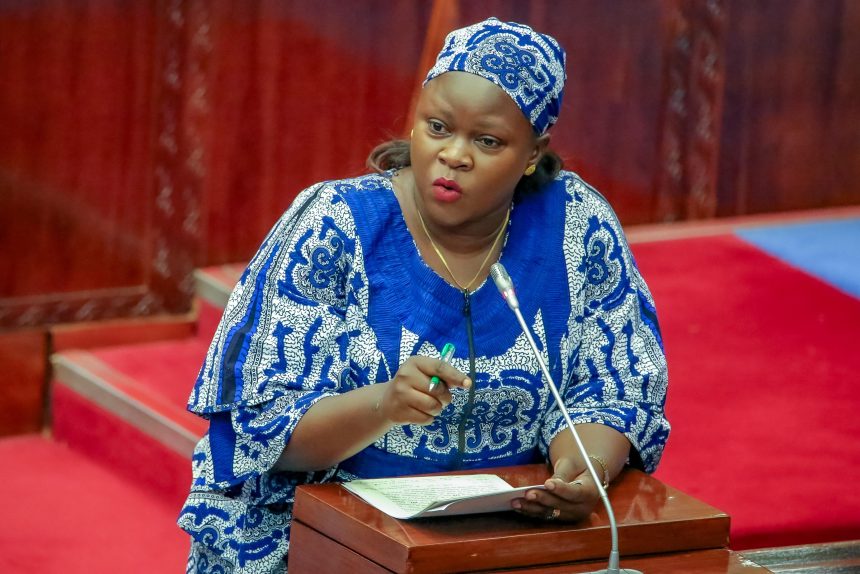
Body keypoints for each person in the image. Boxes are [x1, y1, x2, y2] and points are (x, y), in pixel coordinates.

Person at [178, 17, 669, 574]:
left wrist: (584, 470)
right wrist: (385, 404)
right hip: (329, 536)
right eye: (437, 127)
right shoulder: (335, 225)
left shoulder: (576, 226)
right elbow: (263, 427)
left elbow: (616, 387)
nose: (454, 155)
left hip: (508, 540)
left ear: (533, 153)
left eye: (487, 141)